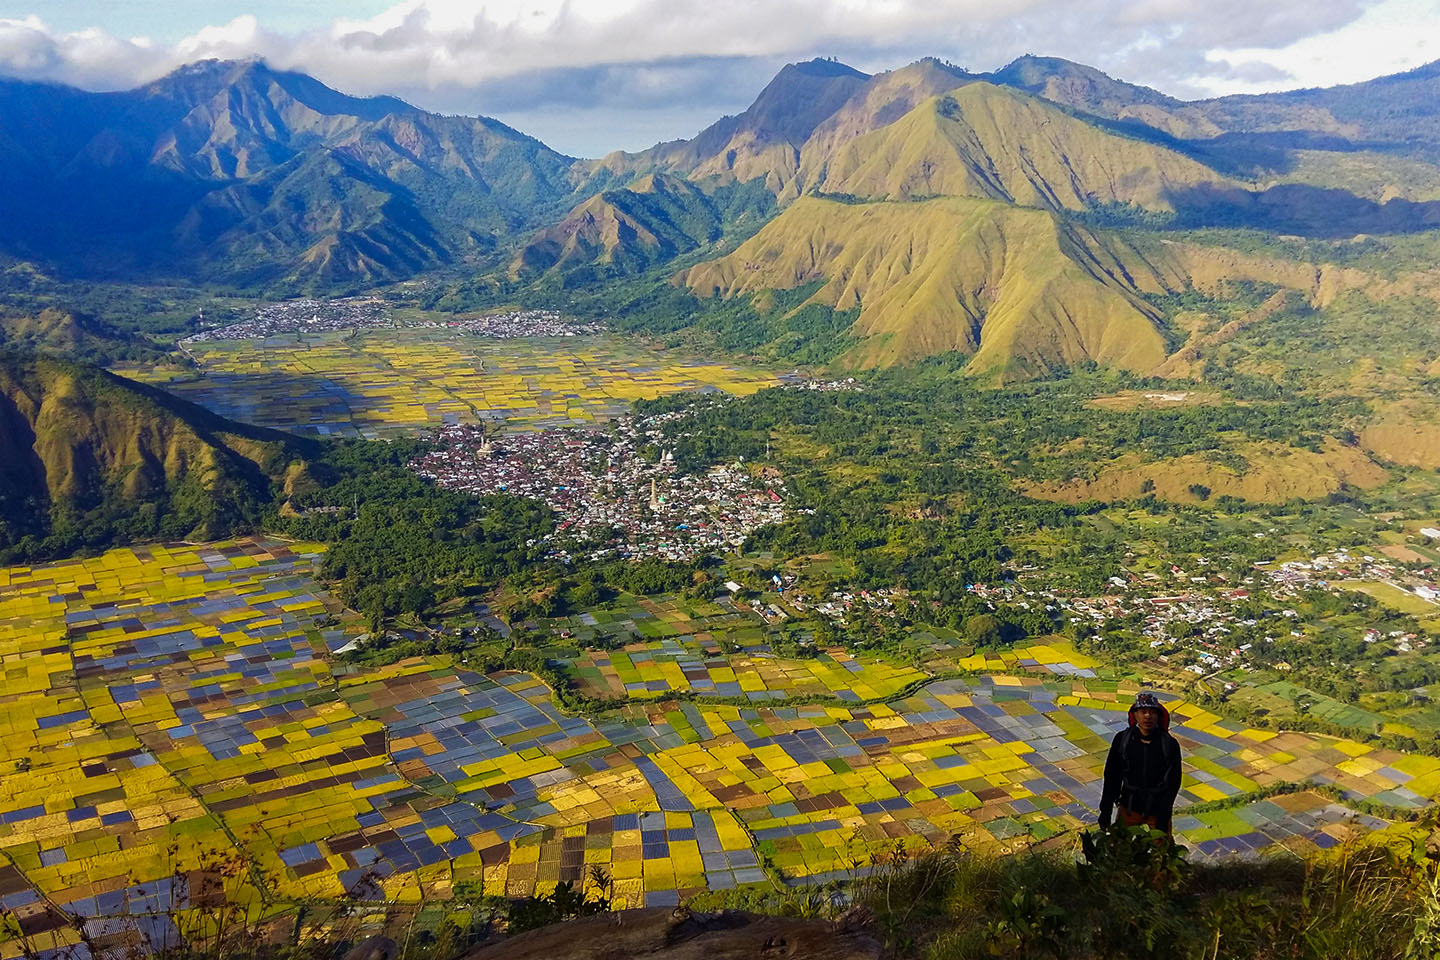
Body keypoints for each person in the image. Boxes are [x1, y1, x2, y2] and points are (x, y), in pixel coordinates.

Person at [1098, 691, 1182, 835]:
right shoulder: (1123, 740)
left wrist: (1163, 817)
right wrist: (1105, 811)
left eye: (1152, 712)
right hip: (1129, 807)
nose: (1147, 716)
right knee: (1121, 851)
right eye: (1143, 712)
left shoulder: (1169, 744)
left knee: (1161, 854)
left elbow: (1173, 782)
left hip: (1158, 810)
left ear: (1158, 716)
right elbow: (1112, 776)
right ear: (1135, 715)